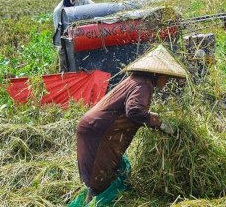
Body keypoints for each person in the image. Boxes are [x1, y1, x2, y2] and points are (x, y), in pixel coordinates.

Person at [74, 45, 187, 206]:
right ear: (157, 74)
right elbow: (133, 111)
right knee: (98, 179)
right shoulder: (143, 85)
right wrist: (159, 122)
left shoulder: (137, 81)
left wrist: (151, 120)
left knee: (102, 174)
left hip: (96, 128)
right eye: (166, 77)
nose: (167, 81)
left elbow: (133, 109)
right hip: (99, 132)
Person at [52, 0, 94, 72]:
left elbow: (94, 8)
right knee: (65, 68)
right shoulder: (59, 10)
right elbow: (59, 32)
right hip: (65, 43)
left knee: (84, 65)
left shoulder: (82, 0)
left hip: (82, 37)